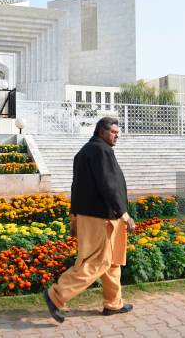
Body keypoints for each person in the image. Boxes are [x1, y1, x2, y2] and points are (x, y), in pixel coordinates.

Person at [44, 117, 136, 323]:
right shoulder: (101, 151)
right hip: (101, 217)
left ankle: (113, 303)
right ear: (101, 132)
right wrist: (124, 214)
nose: (117, 135)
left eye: (117, 132)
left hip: (89, 214)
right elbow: (108, 185)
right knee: (97, 261)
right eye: (113, 132)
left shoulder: (84, 152)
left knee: (112, 261)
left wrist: (73, 217)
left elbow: (76, 187)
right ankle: (56, 295)